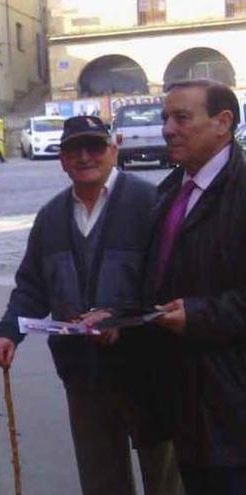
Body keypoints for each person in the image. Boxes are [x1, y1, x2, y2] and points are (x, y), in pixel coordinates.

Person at [0, 115, 183, 495]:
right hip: (83, 375)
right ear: (62, 159)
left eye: (94, 146)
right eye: (75, 149)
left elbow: (170, 282)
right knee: (101, 481)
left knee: (165, 480)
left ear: (113, 149)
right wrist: (8, 330)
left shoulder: (151, 203)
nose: (85, 156)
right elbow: (31, 286)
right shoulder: (51, 217)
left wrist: (120, 317)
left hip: (149, 370)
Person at [146, 79, 246, 494]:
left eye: (182, 118)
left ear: (223, 122)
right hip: (186, 402)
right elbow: (162, 280)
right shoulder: (172, 189)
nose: (168, 129)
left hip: (234, 409)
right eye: (165, 118)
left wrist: (199, 314)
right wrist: (121, 315)